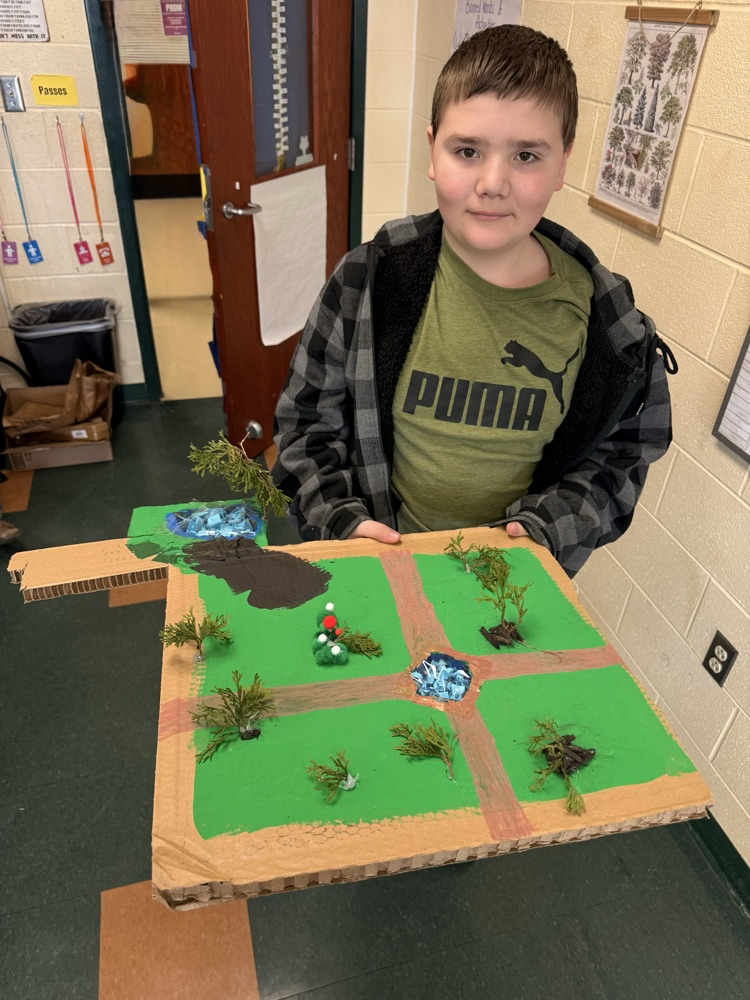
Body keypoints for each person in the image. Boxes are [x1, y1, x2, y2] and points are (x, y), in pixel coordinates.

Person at [272, 25, 675, 577]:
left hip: (513, 586)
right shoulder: (367, 281)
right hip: (375, 568)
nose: (492, 182)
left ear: (563, 164)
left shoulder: (610, 325)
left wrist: (540, 532)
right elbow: (305, 428)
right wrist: (342, 522)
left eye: (527, 156)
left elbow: (621, 457)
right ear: (433, 150)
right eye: (468, 150)